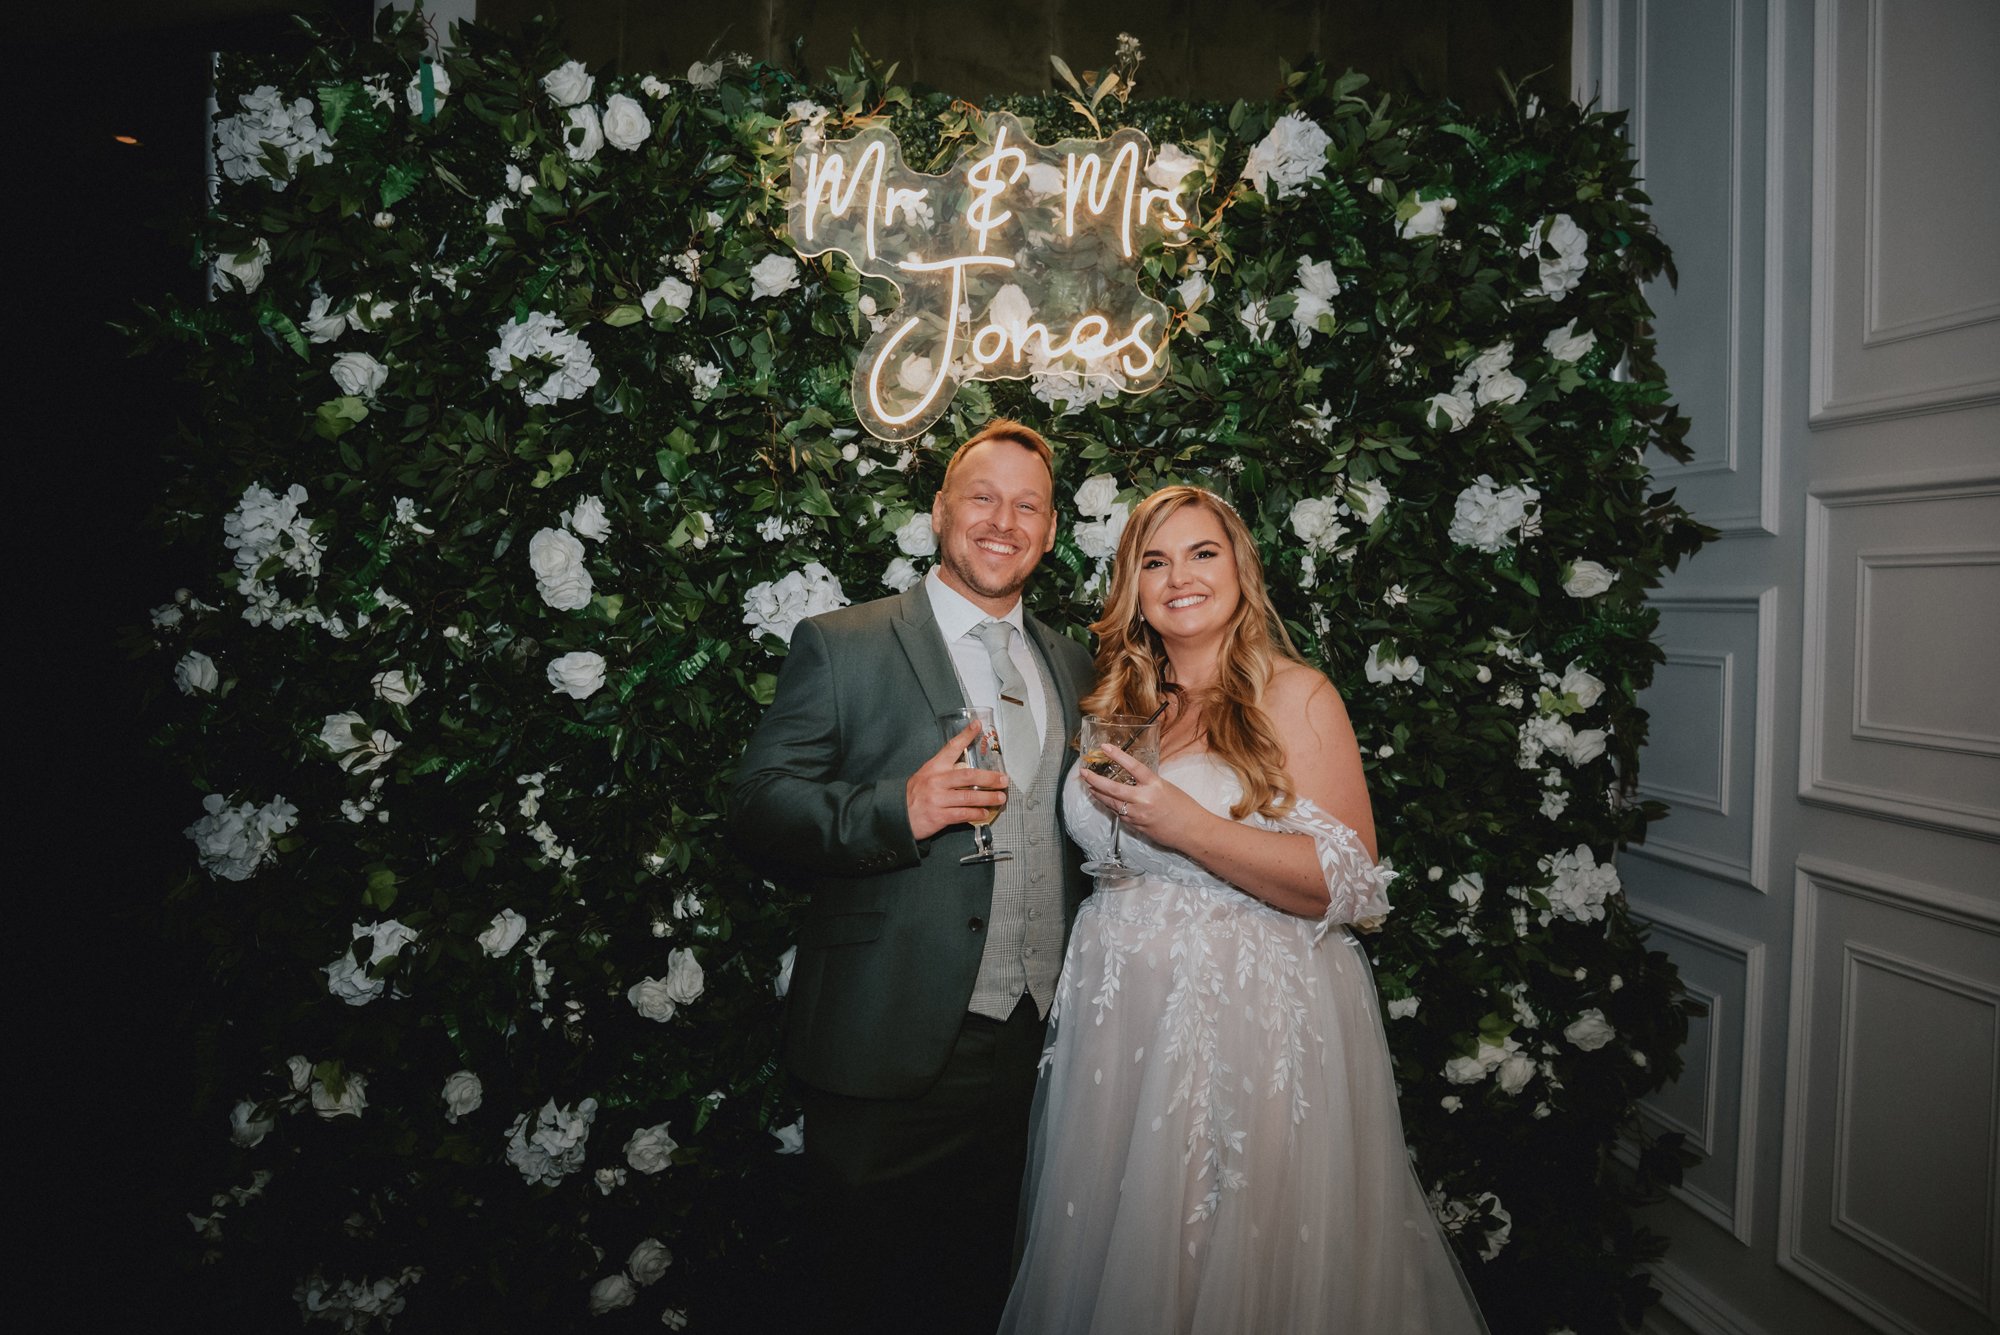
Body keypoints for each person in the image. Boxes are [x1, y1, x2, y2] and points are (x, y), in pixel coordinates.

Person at [998, 486, 1488, 1335]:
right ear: (1133, 587)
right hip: (1119, 1029)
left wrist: (1186, 826)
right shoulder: (1117, 706)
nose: (1178, 576)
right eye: (1154, 561)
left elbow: (1349, 882)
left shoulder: (1294, 696)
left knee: (1234, 1263)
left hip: (1242, 1024)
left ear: (1240, 570)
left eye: (1201, 553)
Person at [728, 419, 1095, 1335]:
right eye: (981, 497)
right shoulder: (844, 644)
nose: (1002, 521)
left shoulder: (1075, 663)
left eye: (1027, 505)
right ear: (939, 513)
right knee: (865, 1299)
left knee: (989, 1298)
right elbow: (759, 806)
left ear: (1051, 532)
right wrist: (900, 810)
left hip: (1036, 1052)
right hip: (886, 1047)